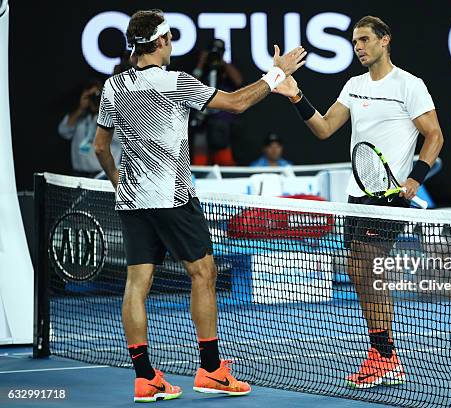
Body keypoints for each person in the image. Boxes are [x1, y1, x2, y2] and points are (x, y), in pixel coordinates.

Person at [93, 9, 306, 402]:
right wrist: (276, 74)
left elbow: (100, 147)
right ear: (159, 42)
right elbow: (238, 103)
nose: (172, 44)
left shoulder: (112, 87)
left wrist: (119, 183)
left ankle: (145, 378)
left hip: (132, 201)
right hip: (173, 199)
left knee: (136, 285)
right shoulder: (176, 82)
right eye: (170, 37)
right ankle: (211, 370)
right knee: (203, 274)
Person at [273, 16, 443, 388]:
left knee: (369, 263)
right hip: (357, 194)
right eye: (354, 42)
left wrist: (417, 178)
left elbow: (434, 136)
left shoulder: (409, 85)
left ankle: (384, 356)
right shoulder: (353, 85)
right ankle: (383, 353)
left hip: (390, 195)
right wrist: (296, 96)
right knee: (358, 270)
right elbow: (324, 129)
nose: (359, 47)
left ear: (385, 40)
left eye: (365, 40)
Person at [190, 39, 244, 165]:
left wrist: (222, 62)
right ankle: (200, 173)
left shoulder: (225, 67)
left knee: (222, 145)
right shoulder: (201, 65)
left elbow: (239, 81)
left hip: (221, 116)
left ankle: (225, 175)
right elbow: (190, 84)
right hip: (201, 114)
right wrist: (202, 62)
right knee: (200, 146)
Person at [58, 80, 121, 177]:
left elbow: (120, 139)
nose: (94, 99)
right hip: (79, 174)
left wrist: (105, 108)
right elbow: (63, 131)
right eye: (91, 96)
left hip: (103, 174)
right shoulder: (79, 117)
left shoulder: (113, 117)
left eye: (97, 95)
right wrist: (80, 109)